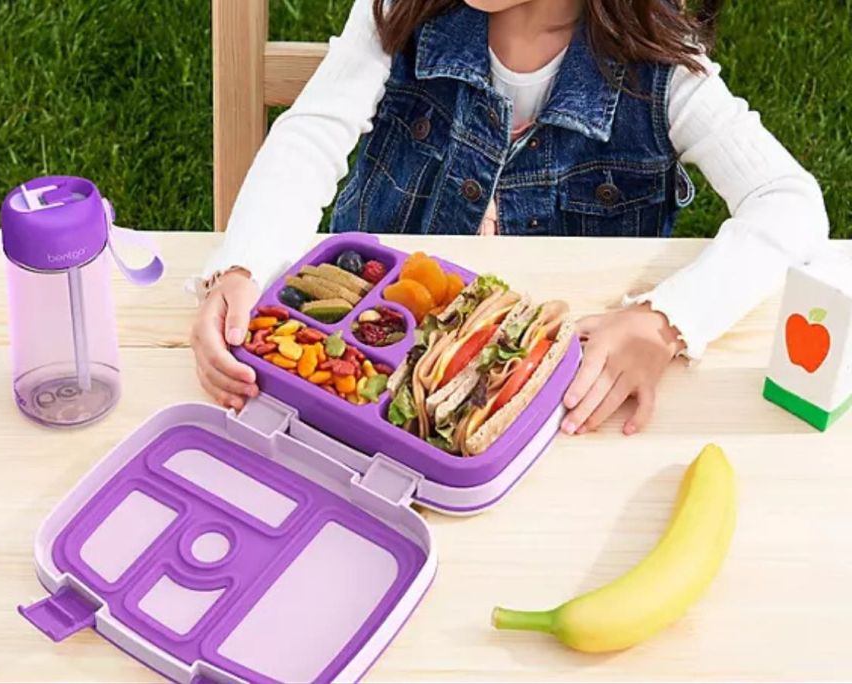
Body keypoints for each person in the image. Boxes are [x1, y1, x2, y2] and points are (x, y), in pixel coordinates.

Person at [190, 0, 828, 436]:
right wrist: (243, 265)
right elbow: (310, 138)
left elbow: (789, 202)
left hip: (551, 399)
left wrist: (666, 322)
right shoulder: (399, 11)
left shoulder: (658, 66)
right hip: (368, 365)